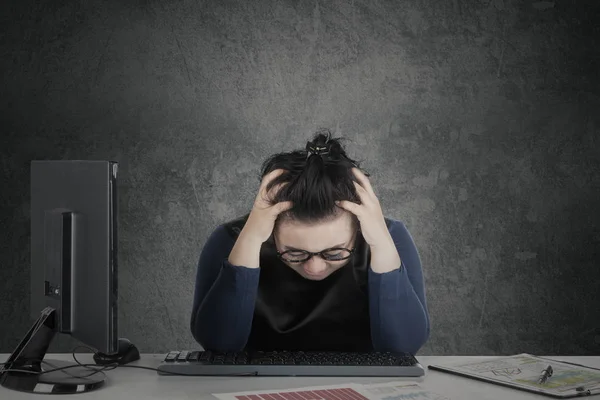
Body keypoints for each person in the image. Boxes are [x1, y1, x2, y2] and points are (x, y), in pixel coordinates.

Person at [190, 128, 430, 354]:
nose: (314, 268)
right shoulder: (230, 240)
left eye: (335, 254)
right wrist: (250, 239)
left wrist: (381, 243)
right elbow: (219, 346)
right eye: (295, 254)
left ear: (357, 231)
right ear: (271, 232)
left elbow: (402, 349)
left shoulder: (388, 237)